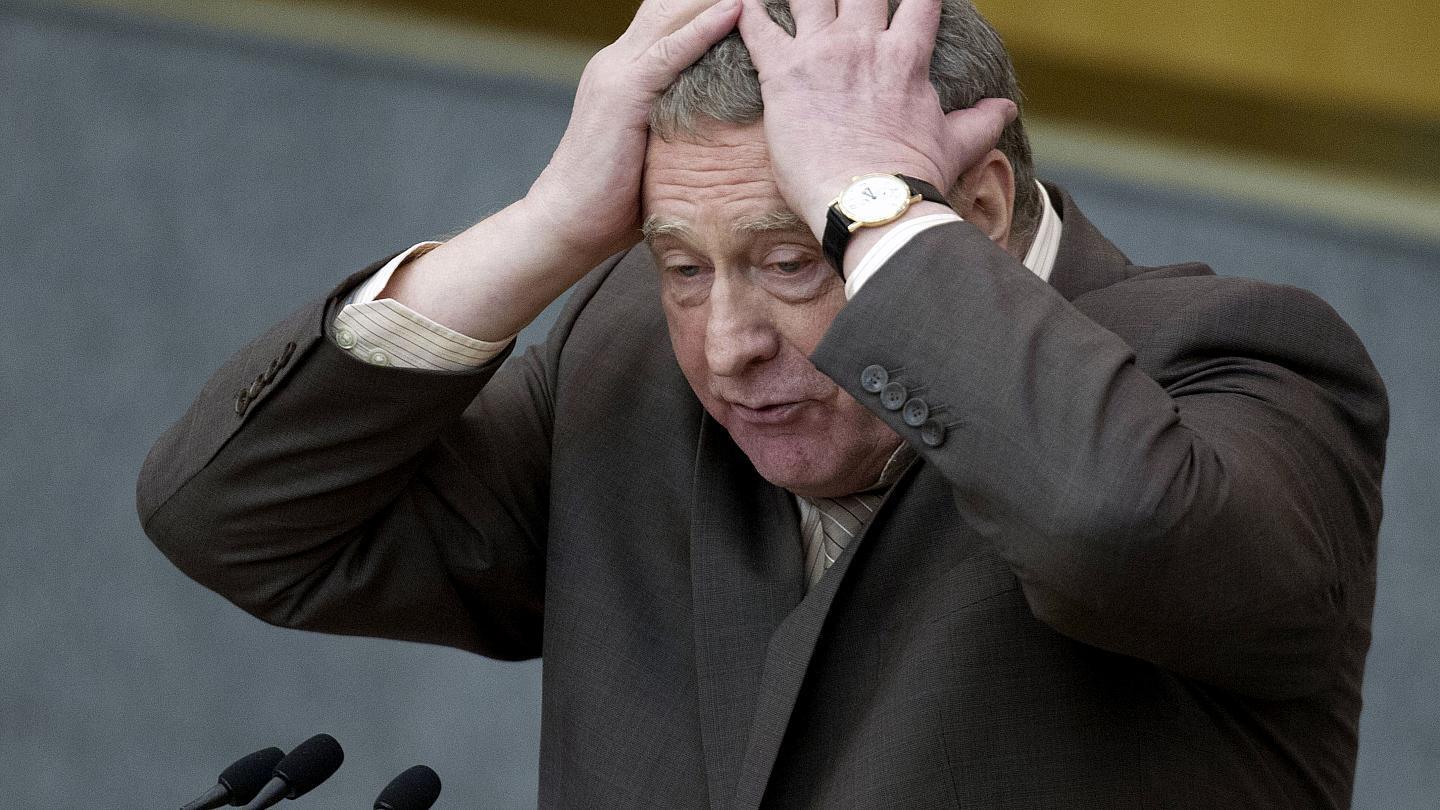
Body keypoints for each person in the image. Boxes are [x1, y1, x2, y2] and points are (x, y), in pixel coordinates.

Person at [137, 0, 1388, 806]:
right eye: (682, 266)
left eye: (794, 260)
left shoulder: (1234, 364)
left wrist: (873, 207)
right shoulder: (629, 365)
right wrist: (551, 225)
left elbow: (1109, 523)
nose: (727, 345)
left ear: (976, 212)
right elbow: (237, 517)